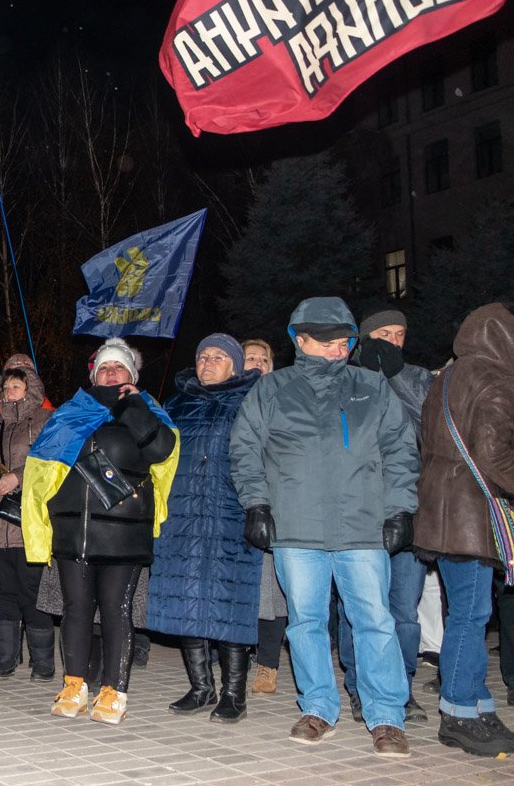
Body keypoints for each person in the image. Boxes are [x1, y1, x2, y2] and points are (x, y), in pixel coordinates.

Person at [230, 297, 418, 757]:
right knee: (306, 622)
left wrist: (400, 509)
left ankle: (386, 717)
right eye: (327, 340)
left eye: (344, 340)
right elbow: (245, 449)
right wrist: (256, 504)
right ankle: (317, 707)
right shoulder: (271, 390)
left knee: (374, 621)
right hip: (296, 526)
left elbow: (400, 449)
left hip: (363, 526)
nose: (338, 348)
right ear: (300, 339)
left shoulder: (371, 386)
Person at [23, 338, 178, 725]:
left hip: (123, 533)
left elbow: (162, 450)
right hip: (73, 530)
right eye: (104, 367)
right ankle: (74, 684)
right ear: (93, 375)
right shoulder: (70, 412)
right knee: (75, 609)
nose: (110, 372)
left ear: (132, 375)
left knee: (115, 609)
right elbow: (41, 470)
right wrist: (42, 521)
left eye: (118, 367)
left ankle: (114, 690)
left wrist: (133, 408)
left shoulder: (147, 408)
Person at [413, 302, 514, 756]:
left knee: (466, 612)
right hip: (470, 514)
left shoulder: (446, 378)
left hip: (440, 508)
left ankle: (478, 704)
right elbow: (495, 455)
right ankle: (457, 714)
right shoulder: (494, 380)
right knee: (471, 615)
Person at [148, 334, 261, 723]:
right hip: (181, 515)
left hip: (229, 514)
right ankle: (201, 687)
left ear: (235, 365)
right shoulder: (176, 403)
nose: (207, 362)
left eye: (218, 357)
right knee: (186, 599)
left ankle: (233, 694)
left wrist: (259, 508)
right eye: (202, 356)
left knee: (230, 602)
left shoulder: (252, 400)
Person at [338, 303, 435, 723]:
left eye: (399, 334)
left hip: (409, 508)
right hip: (357, 511)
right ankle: (360, 686)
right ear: (364, 340)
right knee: (357, 606)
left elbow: (431, 426)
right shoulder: (344, 377)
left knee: (403, 610)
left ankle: (402, 688)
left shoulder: (418, 377)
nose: (393, 341)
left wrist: (396, 376)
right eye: (384, 335)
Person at [0, 365, 53, 679]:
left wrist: (16, 477)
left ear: (31, 390)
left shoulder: (44, 420)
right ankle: (6, 657)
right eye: (6, 388)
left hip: (27, 516)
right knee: (4, 590)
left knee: (31, 589)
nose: (9, 392)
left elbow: (50, 460)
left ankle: (42, 661)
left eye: (16, 386)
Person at [238, 338, 287, 697]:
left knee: (272, 591)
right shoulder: (229, 400)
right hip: (233, 505)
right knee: (239, 590)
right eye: (249, 358)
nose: (256, 363)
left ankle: (268, 664)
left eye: (263, 359)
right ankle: (235, 657)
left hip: (274, 504)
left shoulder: (284, 401)